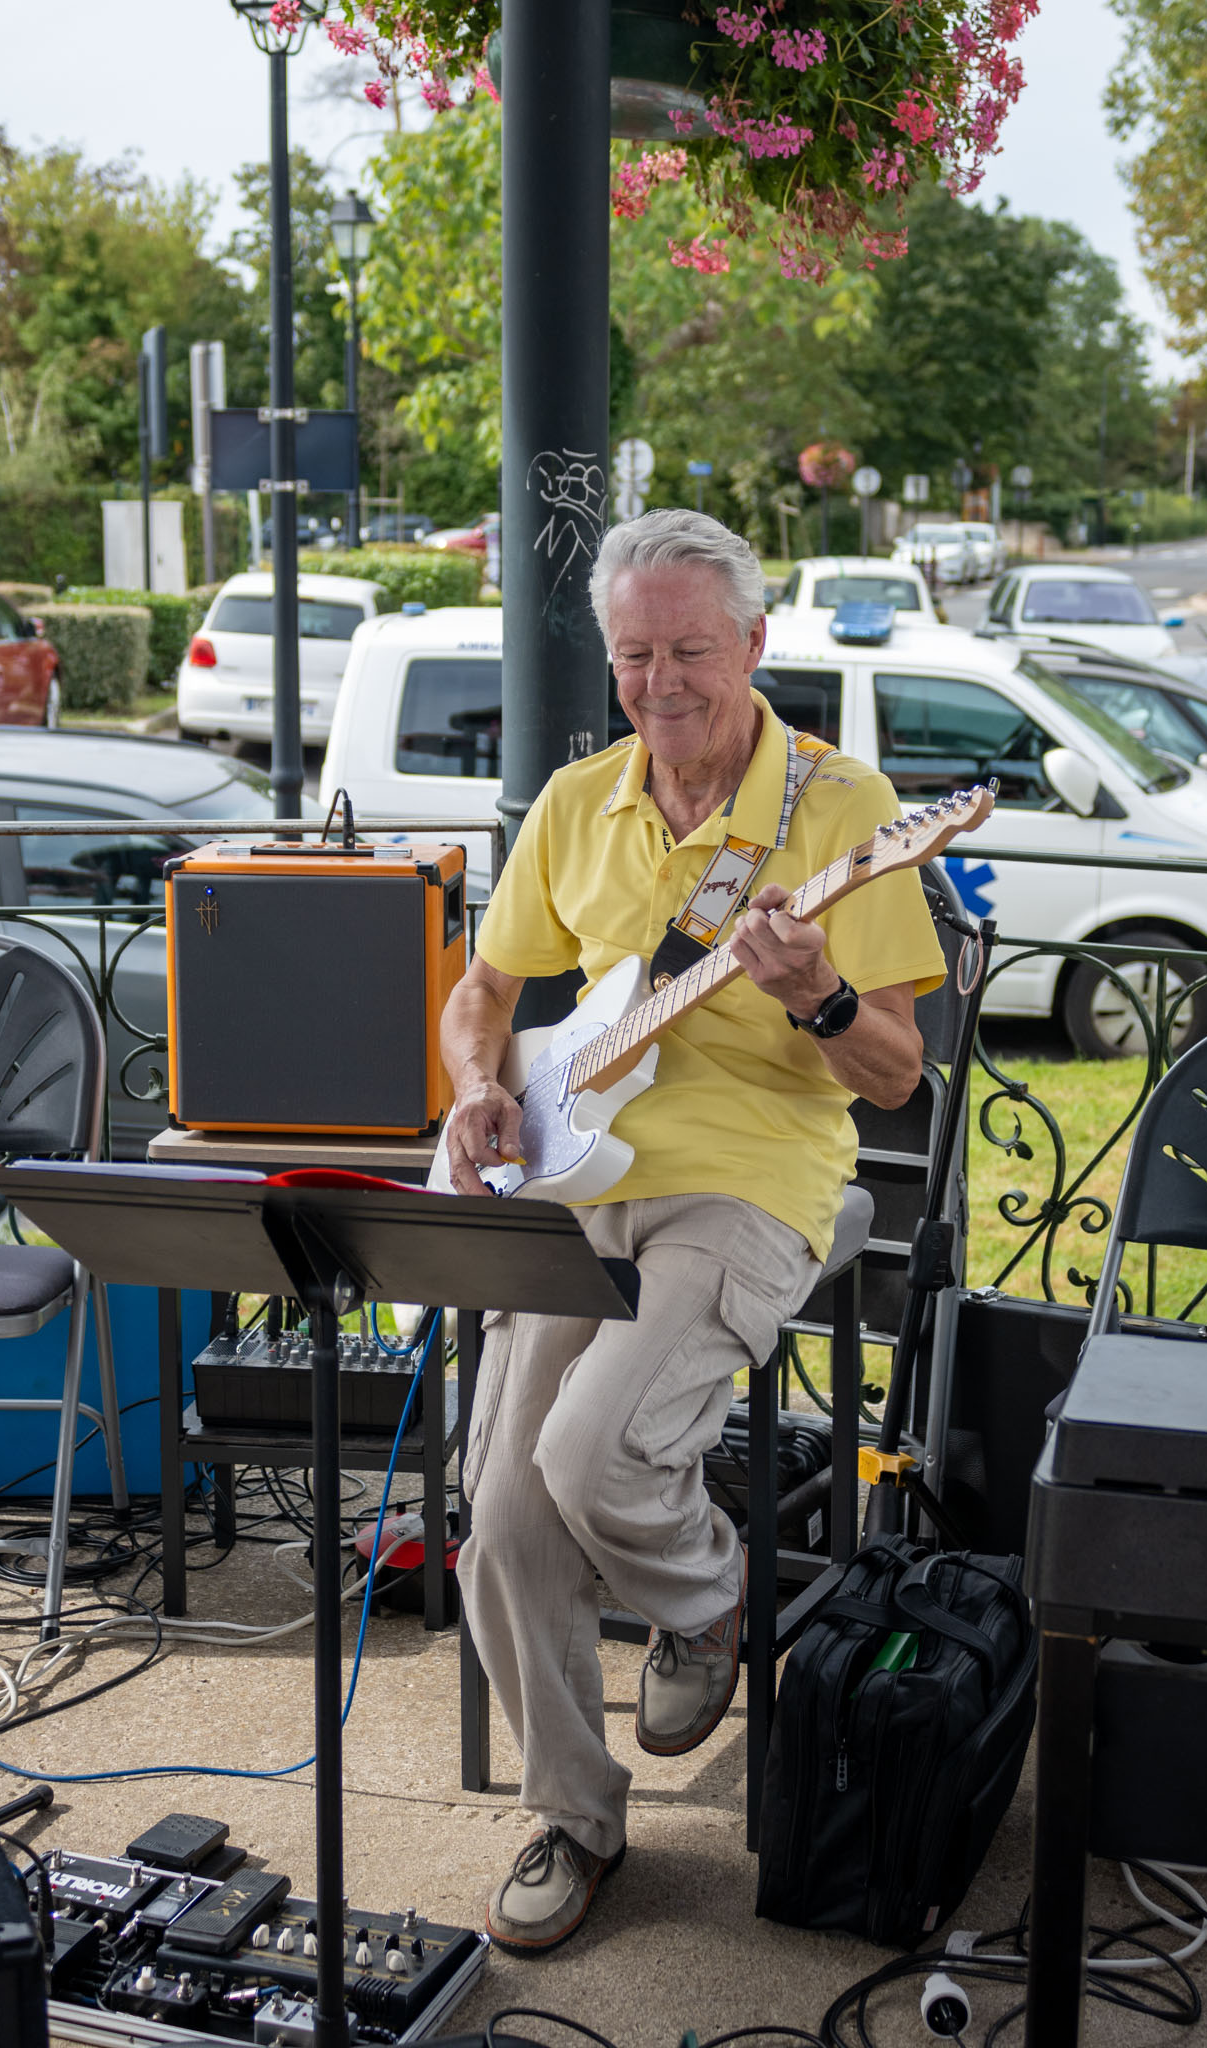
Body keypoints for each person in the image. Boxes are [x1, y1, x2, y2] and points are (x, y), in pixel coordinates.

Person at [440, 508, 946, 1953]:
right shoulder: (574, 799)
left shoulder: (843, 811)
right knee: (505, 1523)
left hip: (749, 1176)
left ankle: (705, 1596)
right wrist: (482, 1086)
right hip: (577, 1177)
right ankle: (574, 1818)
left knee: (592, 1452)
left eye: (690, 651)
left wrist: (815, 997)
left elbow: (896, 1071)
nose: (660, 681)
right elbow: (485, 991)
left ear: (755, 646)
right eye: (633, 653)